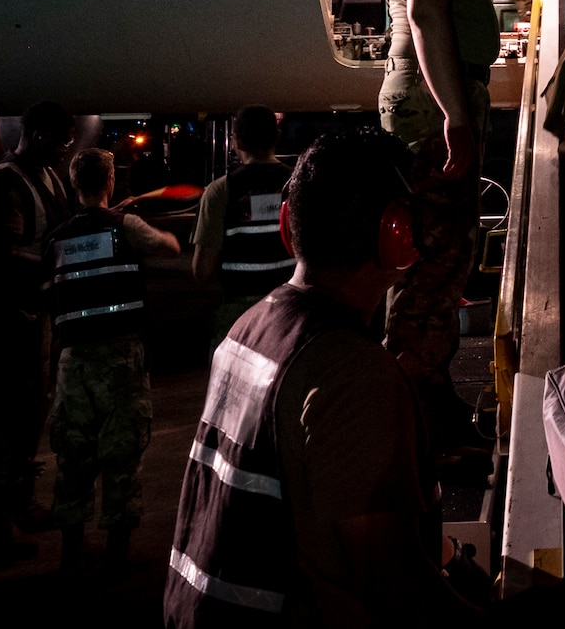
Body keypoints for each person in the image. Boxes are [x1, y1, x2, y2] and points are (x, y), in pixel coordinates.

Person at [164, 130, 482, 627]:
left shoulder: (247, 330)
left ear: (287, 225)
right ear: (398, 232)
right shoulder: (352, 375)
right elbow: (395, 590)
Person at [380, 0, 498, 442]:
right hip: (434, 102)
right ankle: (418, 411)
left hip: (422, 96)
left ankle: (423, 398)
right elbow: (426, 13)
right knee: (435, 260)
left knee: (430, 258)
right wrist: (456, 114)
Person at [42, 147, 180, 572]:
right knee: (121, 453)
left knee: (74, 454)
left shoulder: (57, 237)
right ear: (110, 183)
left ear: (72, 185)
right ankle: (118, 550)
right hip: (122, 357)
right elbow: (170, 247)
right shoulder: (126, 226)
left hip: (73, 359)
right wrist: (126, 221)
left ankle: (71, 549)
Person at [0, 100, 76, 556]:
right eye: (62, 141)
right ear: (40, 136)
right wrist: (61, 265)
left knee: (31, 408)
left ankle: (19, 501)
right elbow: (0, 255)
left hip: (30, 310)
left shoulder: (44, 174)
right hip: (2, 314)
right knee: (5, 413)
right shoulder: (4, 183)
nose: (67, 150)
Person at [192, 105, 293, 349]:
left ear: (236, 141)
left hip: (240, 316)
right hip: (290, 311)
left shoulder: (220, 191)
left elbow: (201, 270)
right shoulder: (298, 184)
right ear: (276, 138)